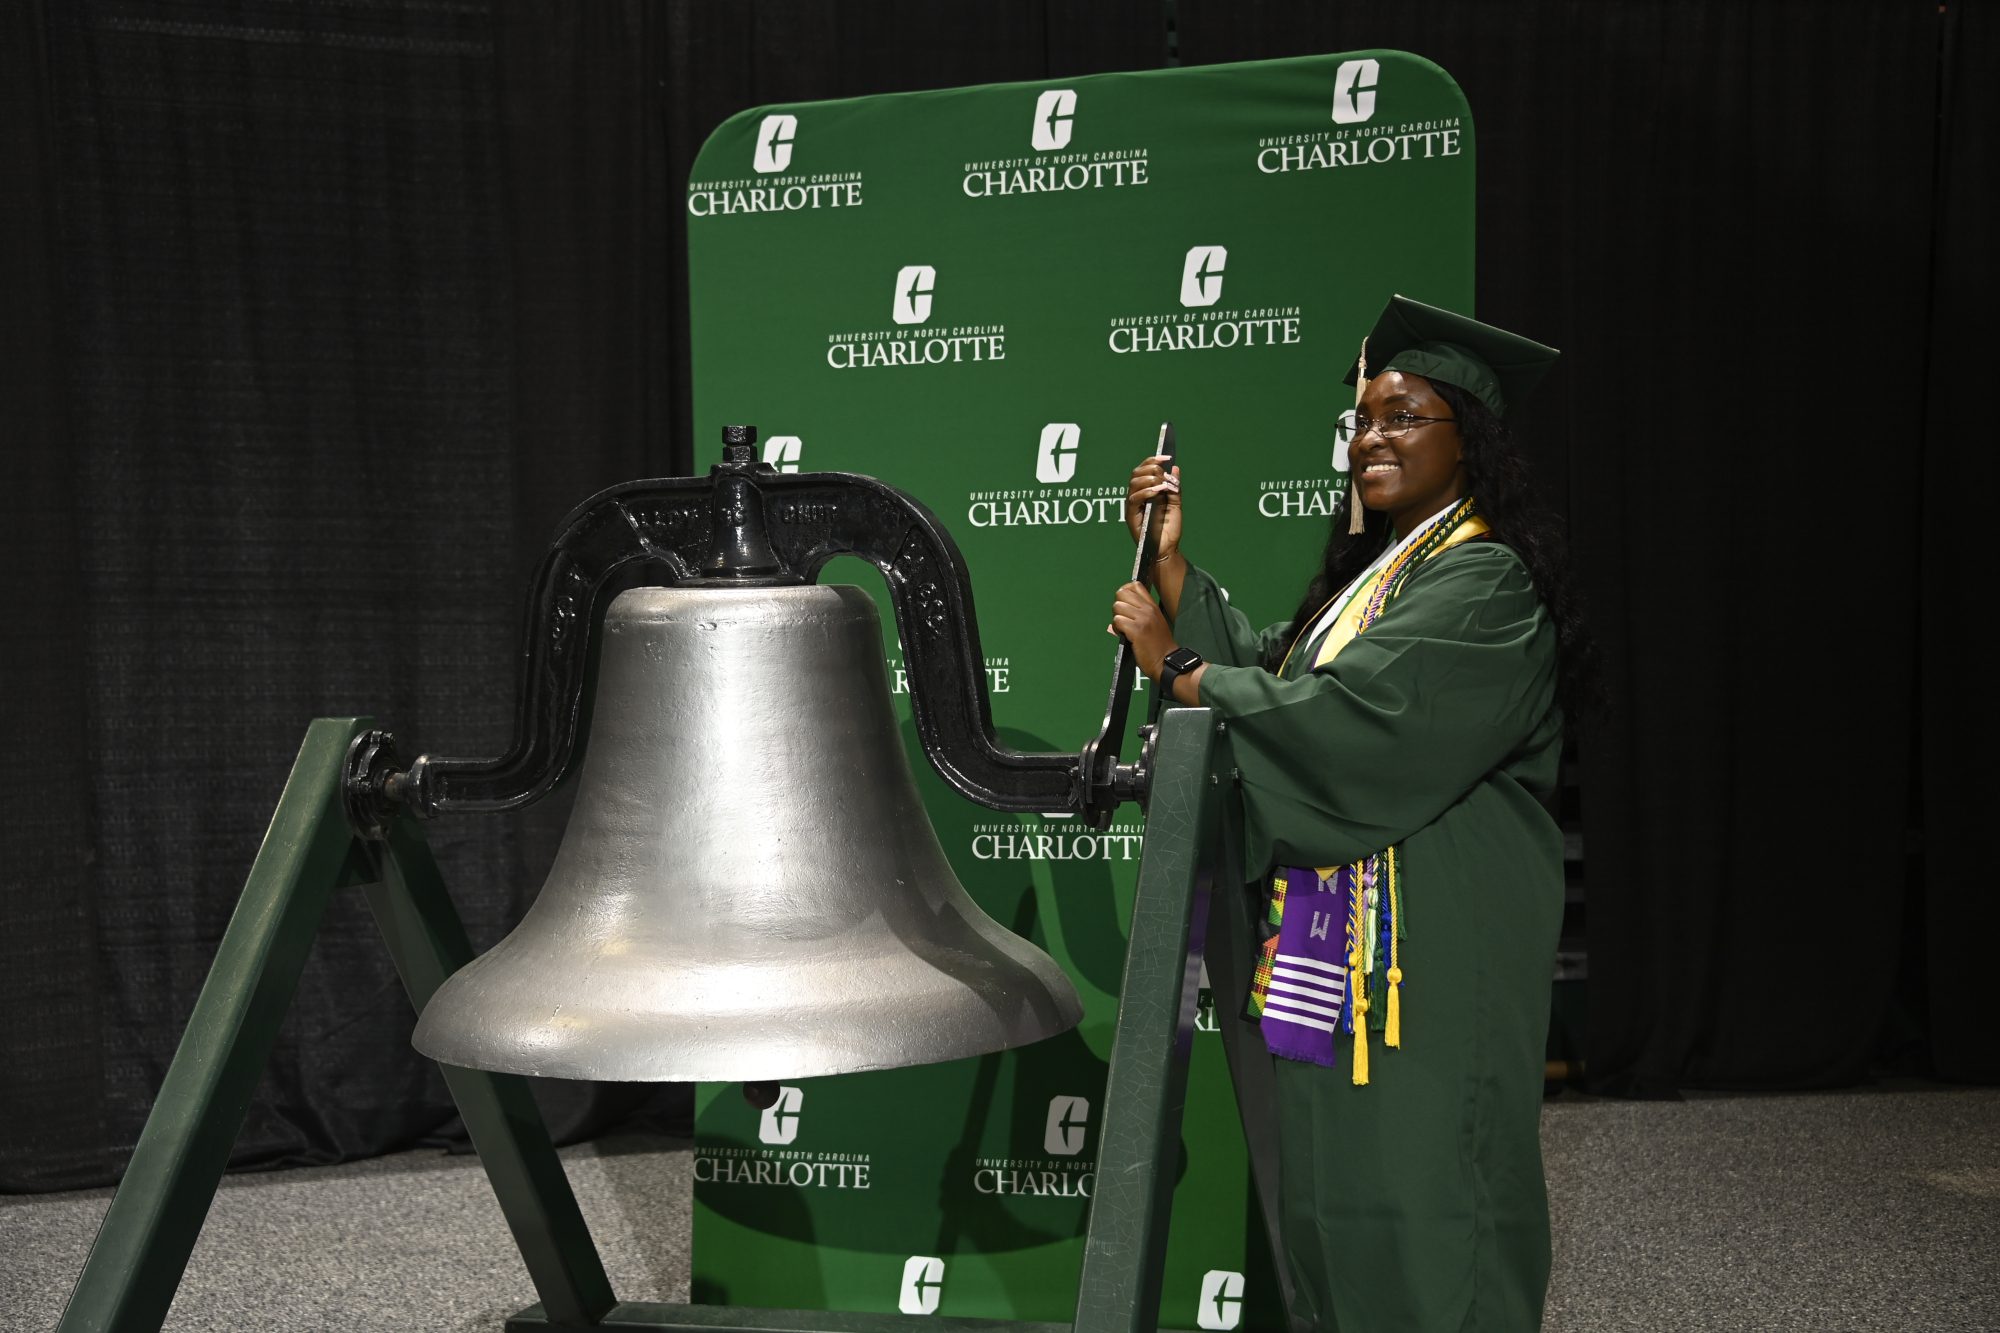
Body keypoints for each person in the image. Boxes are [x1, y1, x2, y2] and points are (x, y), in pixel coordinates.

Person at [1109, 295, 1593, 1332]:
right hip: (1336, 949)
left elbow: (1356, 717)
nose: (1371, 435)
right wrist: (1174, 573)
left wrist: (1181, 669)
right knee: (1330, 1196)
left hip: (1430, 958)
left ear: (1472, 440)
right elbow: (1282, 670)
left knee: (1421, 1194)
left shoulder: (1486, 583)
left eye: (1403, 414)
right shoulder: (1380, 578)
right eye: (1363, 418)